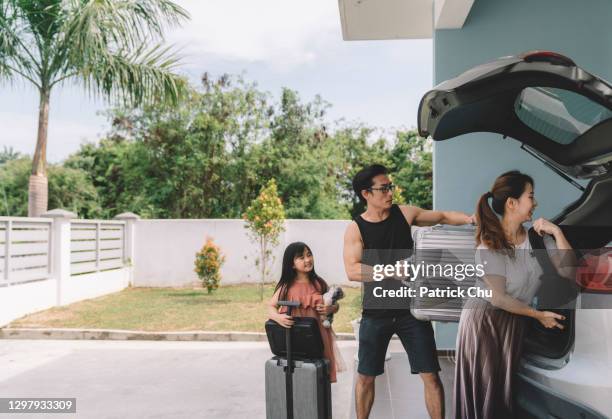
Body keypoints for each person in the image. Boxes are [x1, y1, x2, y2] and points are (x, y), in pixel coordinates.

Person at [343, 164, 474, 419]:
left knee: (431, 376)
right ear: (366, 194)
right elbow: (353, 270)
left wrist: (470, 219)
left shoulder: (405, 214)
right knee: (366, 378)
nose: (390, 193)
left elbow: (444, 217)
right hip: (376, 312)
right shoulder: (356, 228)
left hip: (411, 312)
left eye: (390, 187)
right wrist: (392, 270)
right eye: (384, 189)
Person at [454, 170, 573, 419]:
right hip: (485, 322)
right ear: (512, 203)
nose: (535, 202)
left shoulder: (535, 238)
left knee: (502, 397)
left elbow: (569, 270)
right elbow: (497, 298)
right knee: (488, 395)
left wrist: (557, 232)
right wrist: (537, 315)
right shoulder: (489, 244)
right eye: (530, 196)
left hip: (513, 319)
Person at [267, 241, 345, 383]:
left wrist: (330, 308)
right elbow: (271, 307)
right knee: (299, 374)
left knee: (319, 375)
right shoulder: (286, 287)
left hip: (319, 336)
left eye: (309, 255)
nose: (308, 260)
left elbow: (334, 305)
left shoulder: (319, 283)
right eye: (301, 257)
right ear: (292, 264)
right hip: (295, 336)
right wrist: (278, 317)